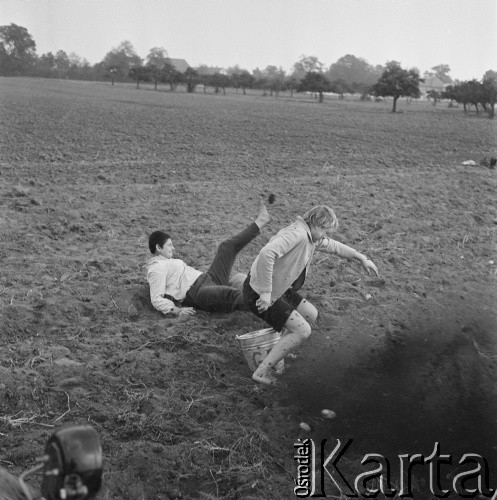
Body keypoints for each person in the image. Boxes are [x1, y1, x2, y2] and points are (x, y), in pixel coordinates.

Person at [243, 205, 379, 386]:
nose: (325, 236)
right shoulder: (298, 234)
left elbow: (333, 246)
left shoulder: (310, 236)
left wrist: (361, 257)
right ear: (316, 224)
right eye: (324, 230)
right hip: (259, 293)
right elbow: (266, 253)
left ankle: (280, 351)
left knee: (310, 314)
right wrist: (266, 293)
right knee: (303, 330)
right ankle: (261, 373)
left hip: (278, 288)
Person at [147, 201, 270, 317]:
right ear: (158, 247)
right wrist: (177, 310)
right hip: (198, 292)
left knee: (226, 247)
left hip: (208, 277)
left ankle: (260, 221)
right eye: (169, 245)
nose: (173, 248)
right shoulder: (156, 268)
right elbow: (156, 299)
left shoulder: (166, 262)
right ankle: (269, 307)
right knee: (230, 295)